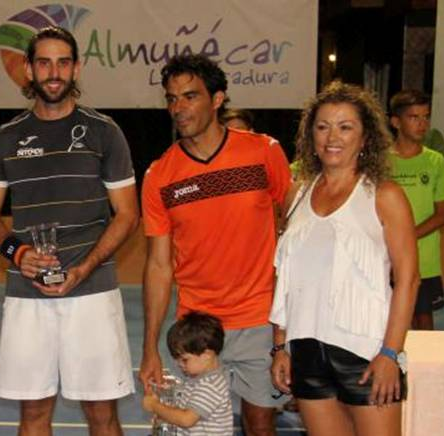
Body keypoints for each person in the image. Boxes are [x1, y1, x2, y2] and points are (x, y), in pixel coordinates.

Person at [0, 26, 139, 436]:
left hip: (93, 291)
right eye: (44, 62)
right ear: (28, 70)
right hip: (27, 293)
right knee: (33, 413)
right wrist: (18, 253)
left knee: (101, 414)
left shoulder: (105, 133)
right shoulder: (5, 139)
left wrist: (83, 269)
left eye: (63, 62)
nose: (54, 72)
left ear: (76, 68)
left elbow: (127, 214)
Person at [140, 54, 291, 436]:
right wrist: (150, 347)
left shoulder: (263, 152)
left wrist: (289, 328)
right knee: (198, 428)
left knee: (260, 425)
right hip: (198, 328)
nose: (179, 108)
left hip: (259, 318)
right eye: (172, 99)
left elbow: (293, 228)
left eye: (190, 96)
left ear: (218, 99)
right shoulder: (160, 175)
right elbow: (159, 266)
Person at [269, 81, 418, 436]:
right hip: (305, 351)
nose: (331, 137)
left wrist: (390, 354)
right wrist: (280, 347)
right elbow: (285, 277)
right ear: (311, 136)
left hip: (367, 354)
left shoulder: (385, 195)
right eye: (322, 127)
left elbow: (408, 280)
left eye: (345, 127)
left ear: (365, 138)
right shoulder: (297, 193)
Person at [387, 90, 444, 330]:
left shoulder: (435, 161)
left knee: (424, 324)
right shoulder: (381, 162)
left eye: (425, 117)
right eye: (414, 117)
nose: (422, 124)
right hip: (386, 259)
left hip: (424, 262)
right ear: (396, 122)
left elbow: (442, 215)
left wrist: (407, 237)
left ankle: (421, 371)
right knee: (391, 323)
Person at [142, 312, 232, 436]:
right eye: (177, 359)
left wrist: (154, 406)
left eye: (184, 359)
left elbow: (186, 419)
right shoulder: (197, 378)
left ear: (206, 355)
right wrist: (166, 416)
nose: (179, 364)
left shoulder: (210, 385)